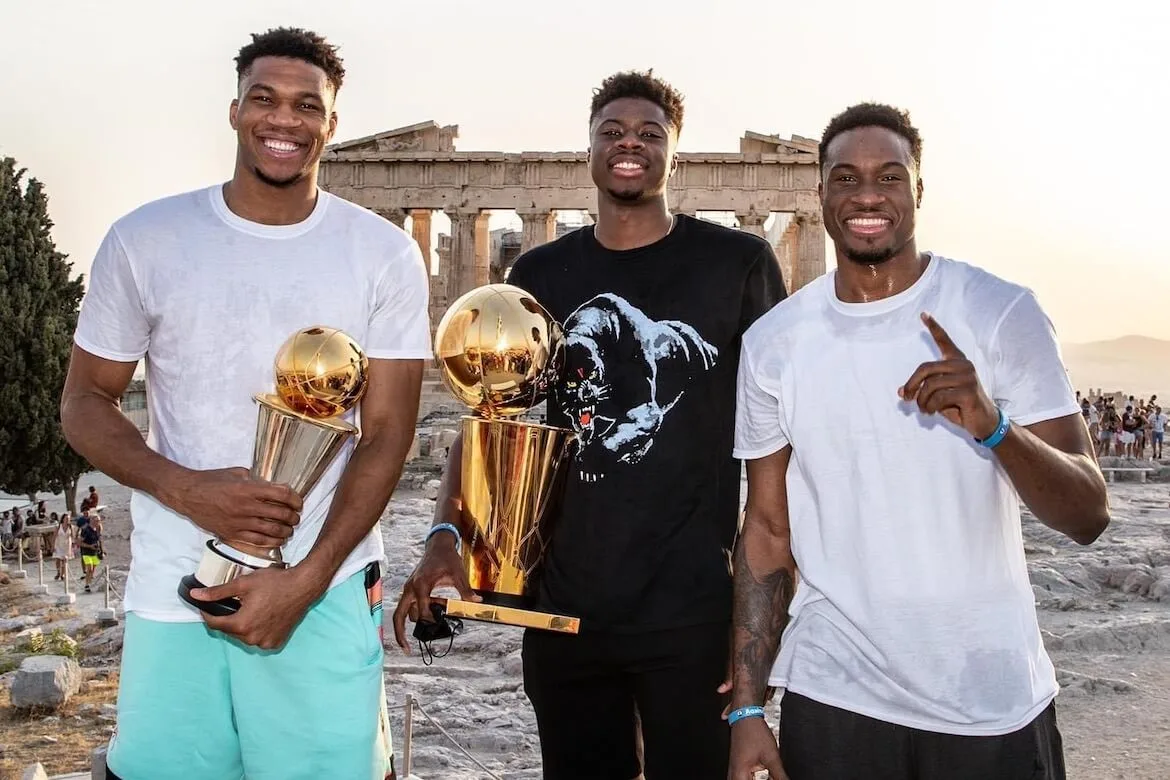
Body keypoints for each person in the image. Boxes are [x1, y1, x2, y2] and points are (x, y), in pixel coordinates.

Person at [393, 70, 786, 779]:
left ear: (676, 153)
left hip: (691, 610)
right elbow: (491, 419)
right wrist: (445, 533)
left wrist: (764, 620)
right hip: (566, 605)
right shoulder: (540, 272)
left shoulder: (738, 263)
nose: (629, 145)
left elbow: (782, 437)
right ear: (588, 150)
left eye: (648, 133)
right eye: (612, 132)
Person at [60, 27, 428, 780]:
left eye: (306, 106)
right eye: (264, 99)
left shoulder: (383, 253)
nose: (282, 120)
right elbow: (84, 401)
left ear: (331, 124)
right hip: (173, 582)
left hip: (323, 586)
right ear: (234, 110)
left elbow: (387, 432)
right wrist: (186, 488)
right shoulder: (146, 239)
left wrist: (306, 581)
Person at [727, 103, 1110, 780]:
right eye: (844, 177)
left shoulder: (1000, 311)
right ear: (819, 194)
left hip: (988, 698)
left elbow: (1088, 514)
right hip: (834, 696)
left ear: (919, 190)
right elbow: (764, 530)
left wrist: (995, 428)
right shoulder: (773, 345)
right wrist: (747, 709)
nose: (867, 194)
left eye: (889, 176)